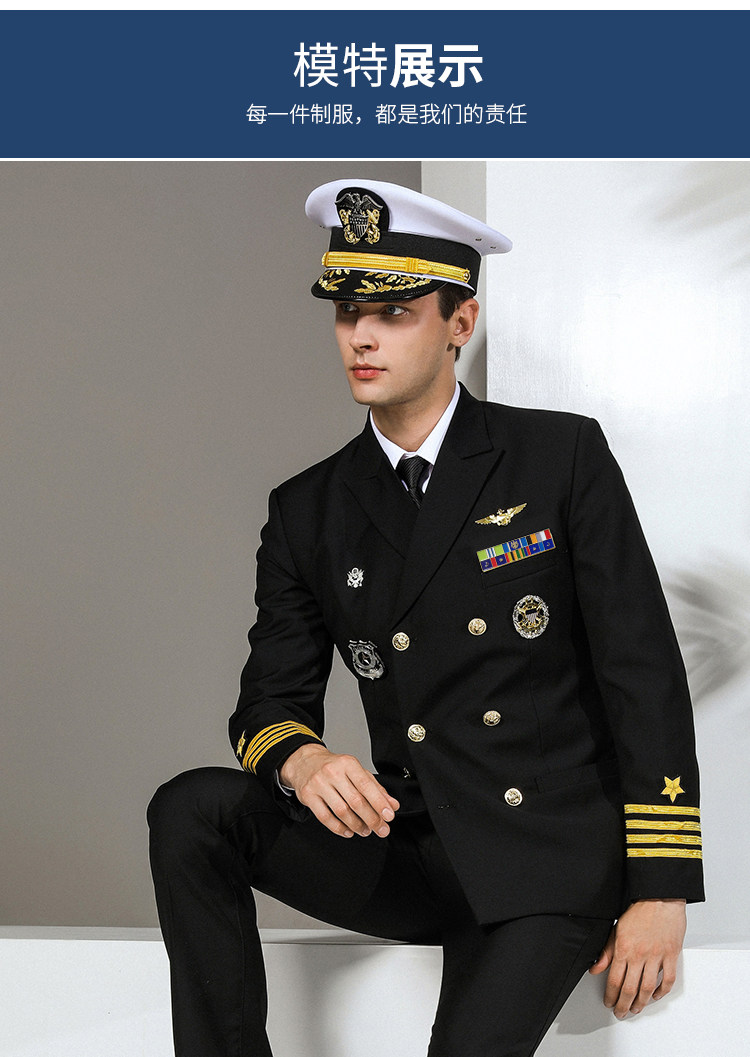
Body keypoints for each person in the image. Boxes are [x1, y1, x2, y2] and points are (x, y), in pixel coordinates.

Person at [148, 179, 705, 1057]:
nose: (361, 336)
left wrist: (661, 889)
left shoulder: (557, 455)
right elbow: (266, 701)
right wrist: (302, 757)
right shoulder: (309, 508)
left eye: (395, 312)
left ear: (460, 321)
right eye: (347, 313)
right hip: (414, 847)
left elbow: (643, 674)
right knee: (191, 808)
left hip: (546, 861)